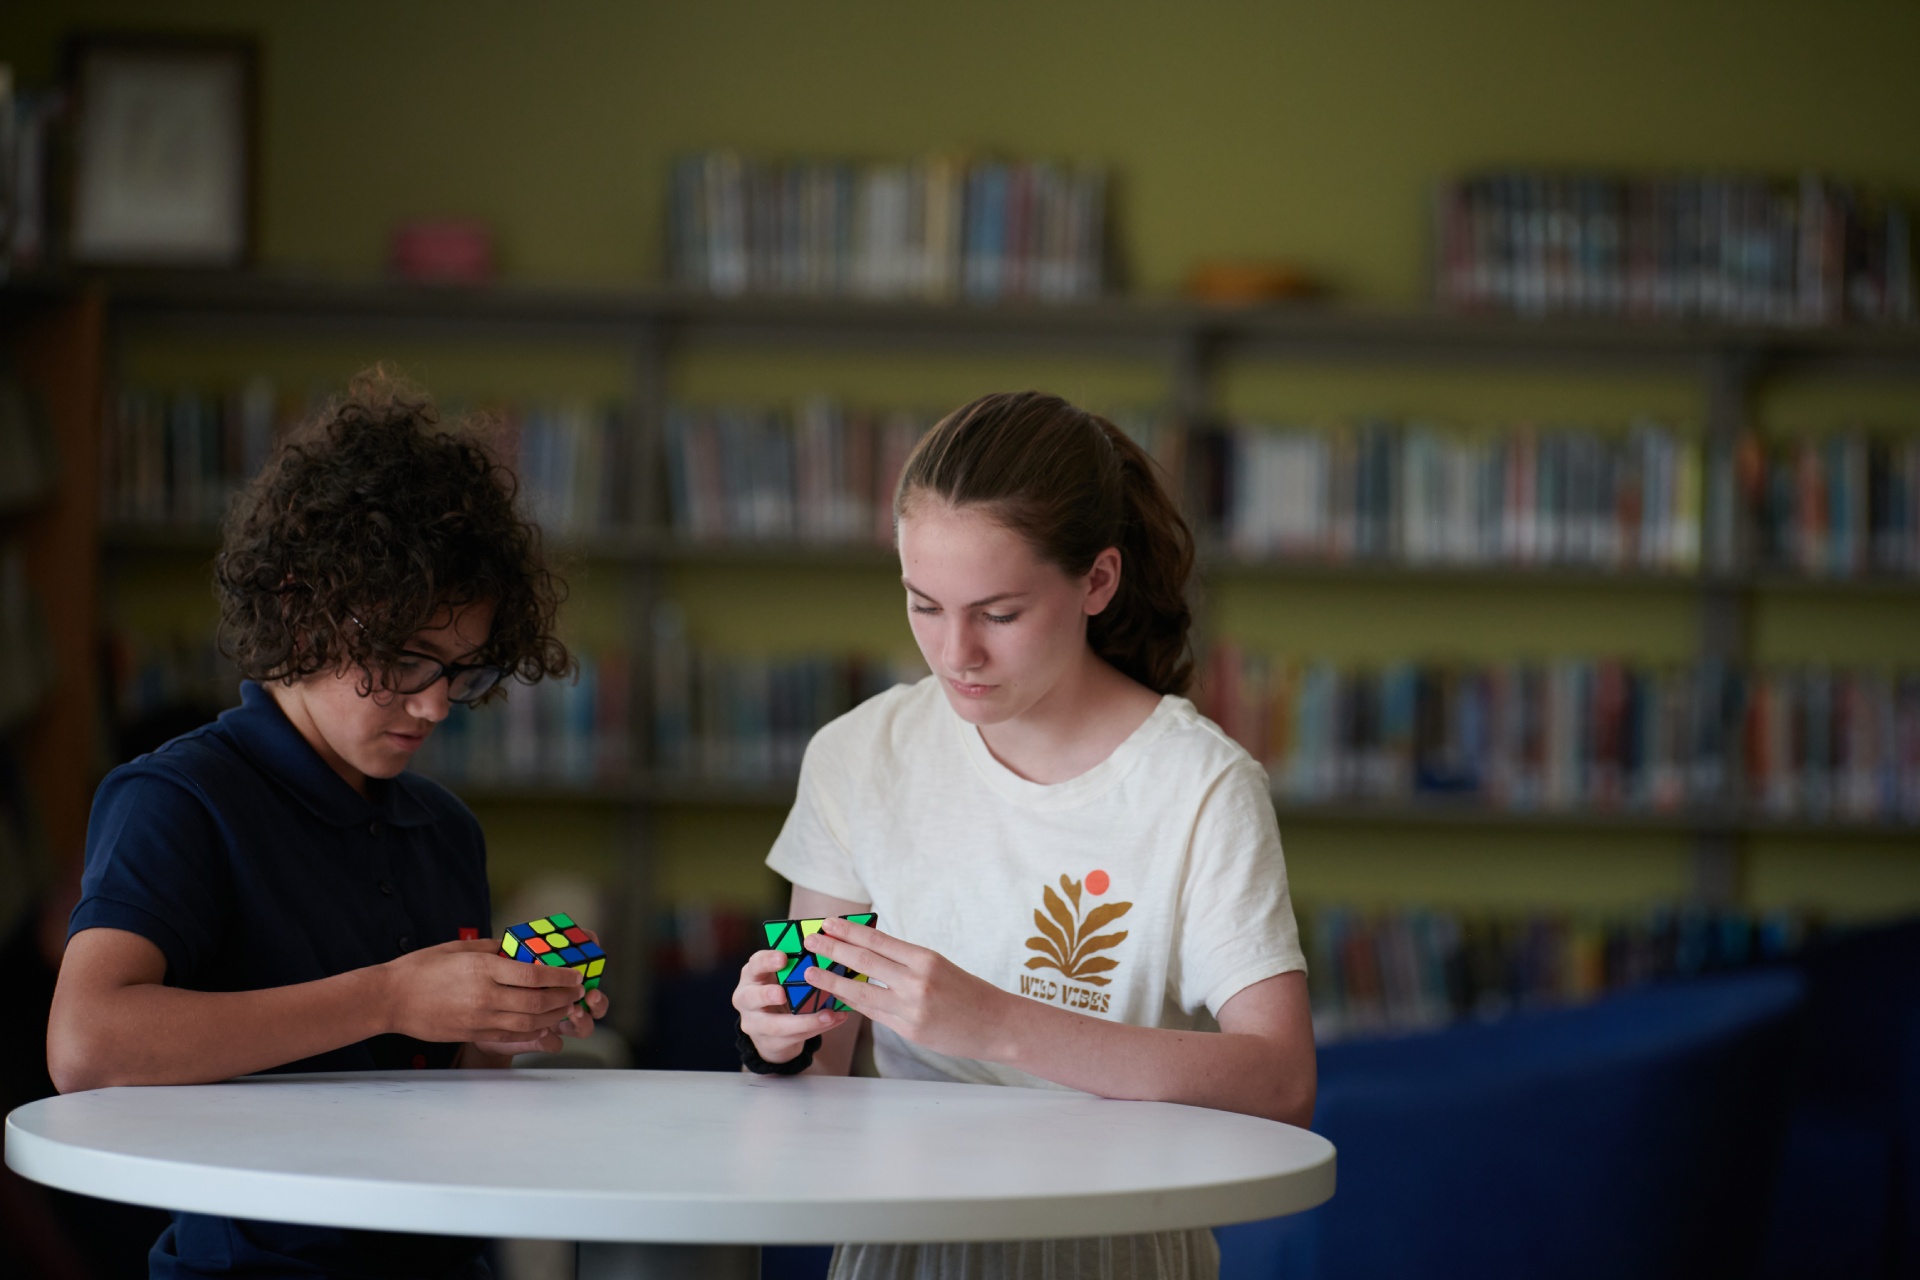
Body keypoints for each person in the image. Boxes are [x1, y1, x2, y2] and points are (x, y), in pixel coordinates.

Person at [732, 390, 1316, 1280]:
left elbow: (1282, 1084)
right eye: (923, 605)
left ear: (1097, 581)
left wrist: (996, 1024)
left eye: (998, 614)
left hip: (1119, 1250)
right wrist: (773, 1043)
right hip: (904, 1249)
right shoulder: (858, 754)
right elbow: (818, 1073)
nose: (955, 652)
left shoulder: (1201, 786)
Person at [48, 372, 606, 1280]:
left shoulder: (443, 828)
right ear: (302, 607)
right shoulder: (179, 798)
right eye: (404, 660)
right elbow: (86, 1046)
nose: (432, 707)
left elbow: (439, 1096)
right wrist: (391, 994)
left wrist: (494, 1031)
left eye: (461, 672)